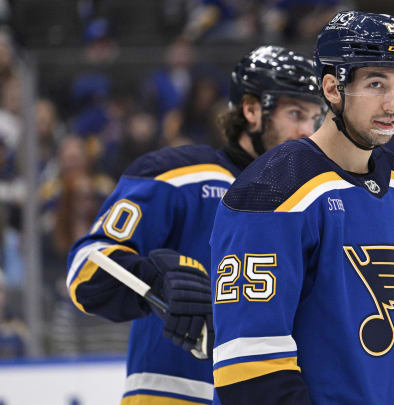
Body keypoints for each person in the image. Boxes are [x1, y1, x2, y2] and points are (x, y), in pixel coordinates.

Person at [210, 11, 394, 405]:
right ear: (333, 88)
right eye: (376, 84)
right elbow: (249, 368)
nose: (393, 103)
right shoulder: (272, 191)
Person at [65, 45, 324, 404]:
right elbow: (86, 266)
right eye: (295, 113)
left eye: (315, 119)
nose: (307, 131)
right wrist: (152, 278)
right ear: (251, 110)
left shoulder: (313, 202)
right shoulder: (179, 176)